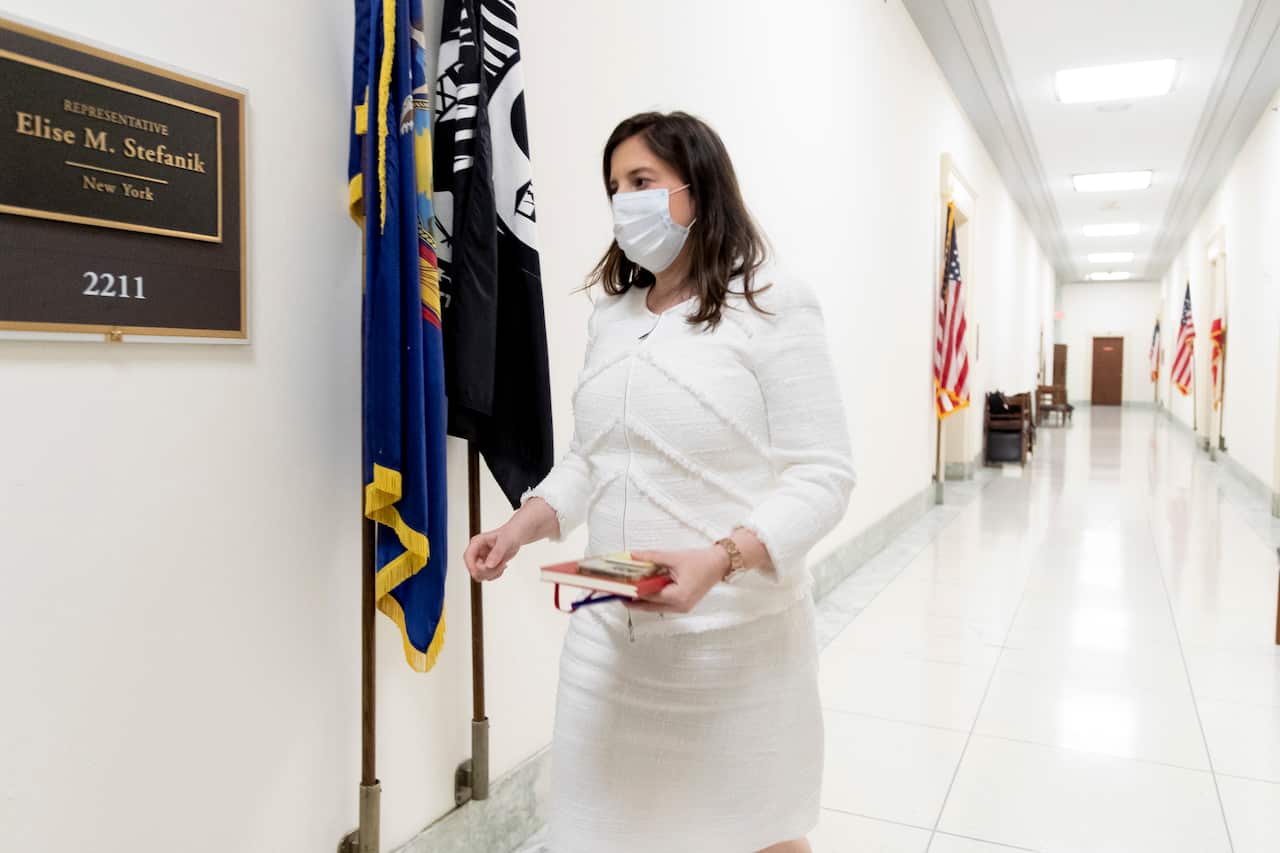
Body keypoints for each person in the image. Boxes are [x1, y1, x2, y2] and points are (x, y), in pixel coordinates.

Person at [464, 111, 855, 853]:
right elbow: (590, 458)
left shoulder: (773, 302)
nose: (624, 202)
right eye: (614, 186)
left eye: (641, 181)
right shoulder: (612, 317)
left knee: (758, 832)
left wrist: (723, 555)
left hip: (735, 648)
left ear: (697, 188)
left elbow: (826, 473)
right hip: (609, 642)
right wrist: (524, 523)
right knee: (594, 831)